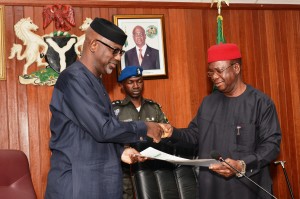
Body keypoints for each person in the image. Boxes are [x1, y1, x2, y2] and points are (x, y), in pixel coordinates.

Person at [45, 18, 167, 199]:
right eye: (115, 51)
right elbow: (103, 128)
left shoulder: (95, 82)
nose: (118, 58)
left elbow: (89, 134)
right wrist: (146, 127)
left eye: (121, 51)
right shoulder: (73, 79)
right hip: (78, 185)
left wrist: (121, 152)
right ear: (93, 44)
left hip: (99, 183)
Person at [164, 43, 282, 199]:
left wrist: (243, 164)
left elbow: (271, 145)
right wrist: (172, 132)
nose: (214, 77)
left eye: (219, 71)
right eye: (211, 72)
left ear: (236, 68)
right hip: (212, 188)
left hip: (248, 188)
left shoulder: (261, 103)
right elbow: (194, 136)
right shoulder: (208, 103)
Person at [112, 66, 169, 199]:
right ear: (122, 85)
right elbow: (111, 139)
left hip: (154, 167)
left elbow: (167, 135)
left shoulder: (153, 107)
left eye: (139, 81)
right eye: (131, 82)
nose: (136, 85)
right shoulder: (115, 110)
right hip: (126, 170)